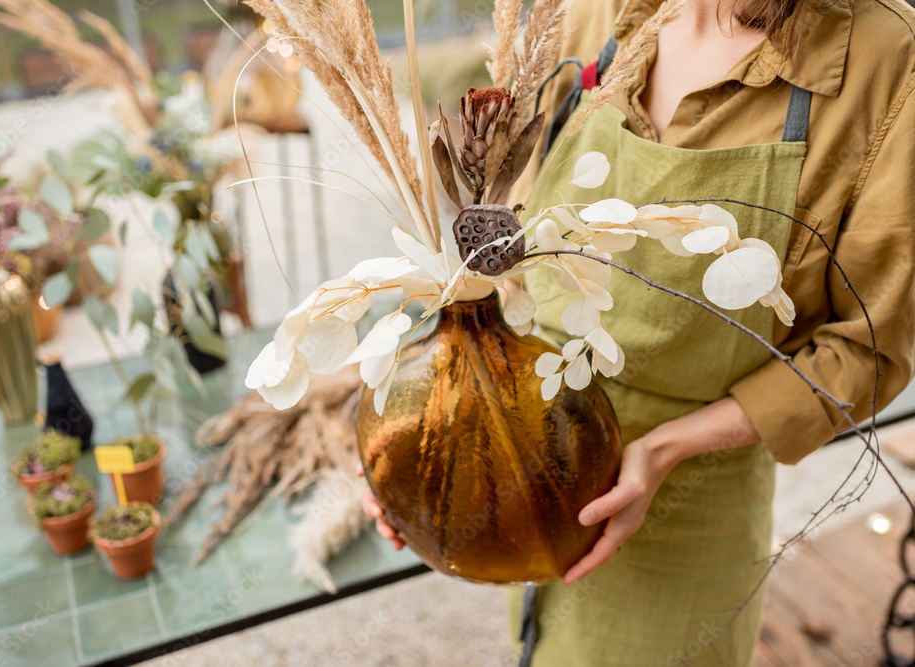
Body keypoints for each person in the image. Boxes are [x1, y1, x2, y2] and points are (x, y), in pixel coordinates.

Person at [363, 0, 915, 663]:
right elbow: (520, 250)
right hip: (540, 463)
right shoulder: (600, 13)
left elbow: (868, 351)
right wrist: (435, 449)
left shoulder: (884, 57)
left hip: (690, 511)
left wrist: (666, 450)